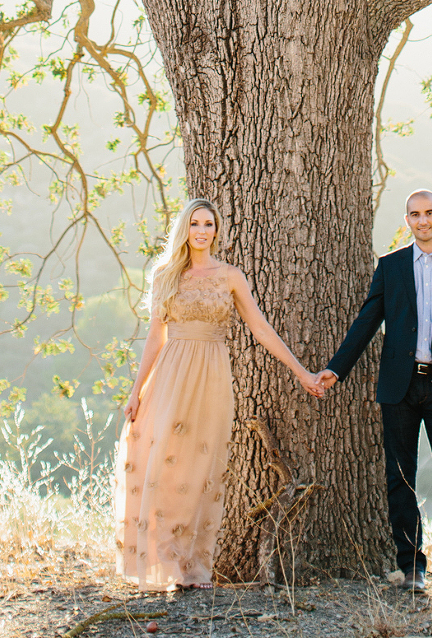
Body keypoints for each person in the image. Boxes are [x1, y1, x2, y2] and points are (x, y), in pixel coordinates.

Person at [114, 195, 323, 590]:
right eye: (195, 224)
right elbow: (154, 339)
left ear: (217, 231)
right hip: (170, 375)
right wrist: (135, 391)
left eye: (209, 224)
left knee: (200, 470)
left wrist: (301, 372)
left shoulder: (230, 276)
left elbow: (260, 329)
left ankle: (193, 568)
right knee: (163, 465)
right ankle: (165, 560)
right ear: (184, 229)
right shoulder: (165, 276)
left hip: (211, 376)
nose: (202, 231)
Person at [316, 189, 432, 613]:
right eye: (415, 214)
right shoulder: (391, 267)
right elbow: (366, 322)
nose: (423, 221)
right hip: (399, 388)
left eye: (429, 213)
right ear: (407, 220)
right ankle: (411, 567)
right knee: (400, 478)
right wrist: (336, 369)